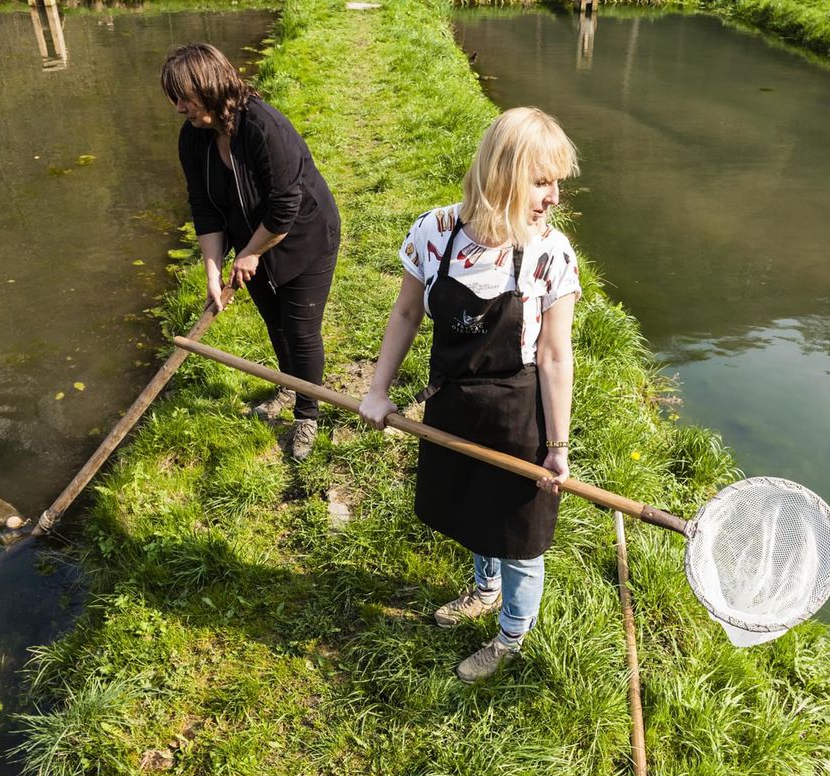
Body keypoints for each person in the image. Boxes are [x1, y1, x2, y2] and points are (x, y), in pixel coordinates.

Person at [360, 108, 580, 683]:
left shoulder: (550, 256)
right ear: (502, 174)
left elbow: (556, 355)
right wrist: (378, 391)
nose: (554, 196)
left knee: (520, 537)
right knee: (468, 507)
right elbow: (407, 312)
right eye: (541, 180)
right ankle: (484, 590)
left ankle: (511, 634)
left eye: (557, 181)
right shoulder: (435, 233)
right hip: (455, 402)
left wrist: (557, 445)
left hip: (519, 413)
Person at [161, 43, 341, 461]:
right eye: (174, 99)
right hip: (251, 242)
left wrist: (251, 253)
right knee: (275, 324)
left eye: (183, 97)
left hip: (303, 236)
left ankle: (307, 414)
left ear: (209, 87)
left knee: (299, 328)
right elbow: (203, 206)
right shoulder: (194, 138)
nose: (178, 108)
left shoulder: (262, 127)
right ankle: (287, 384)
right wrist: (212, 269)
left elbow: (284, 208)